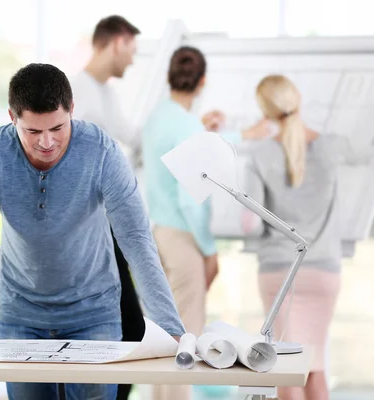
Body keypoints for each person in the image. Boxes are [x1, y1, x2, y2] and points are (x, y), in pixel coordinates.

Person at [0, 63, 185, 400]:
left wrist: (169, 329)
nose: (46, 142)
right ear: (12, 117)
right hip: (20, 314)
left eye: (57, 127)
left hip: (93, 311)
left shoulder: (102, 153)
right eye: (32, 131)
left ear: (71, 109)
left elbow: (136, 241)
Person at [244, 74, 374, 400]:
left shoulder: (260, 156)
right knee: (314, 367)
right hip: (323, 274)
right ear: (298, 101)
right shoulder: (332, 146)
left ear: (266, 113)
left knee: (285, 369)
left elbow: (251, 225)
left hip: (278, 273)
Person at [141, 45, 270, 400]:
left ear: (170, 76)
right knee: (187, 343)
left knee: (167, 343)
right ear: (202, 82)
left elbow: (189, 142)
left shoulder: (159, 117)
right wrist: (209, 250)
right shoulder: (185, 125)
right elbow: (189, 198)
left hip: (160, 236)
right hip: (183, 240)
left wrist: (218, 133)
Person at [70, 16, 144, 400]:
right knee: (127, 327)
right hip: (88, 234)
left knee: (130, 328)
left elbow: (134, 138)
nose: (132, 60)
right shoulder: (77, 92)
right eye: (131, 49)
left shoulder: (106, 94)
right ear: (117, 42)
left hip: (111, 227)